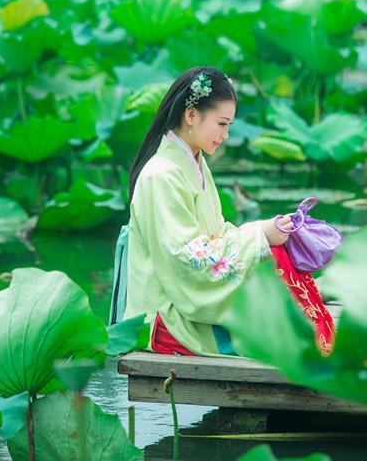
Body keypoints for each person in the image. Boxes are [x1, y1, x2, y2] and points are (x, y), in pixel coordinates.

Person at [122, 66, 335, 357]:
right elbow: (187, 258)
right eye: (222, 124)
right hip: (168, 317)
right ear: (192, 115)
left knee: (282, 286)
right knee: (288, 340)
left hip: (191, 303)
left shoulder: (194, 163)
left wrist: (265, 230)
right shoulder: (160, 176)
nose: (225, 135)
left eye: (229, 126)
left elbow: (216, 234)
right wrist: (260, 239)